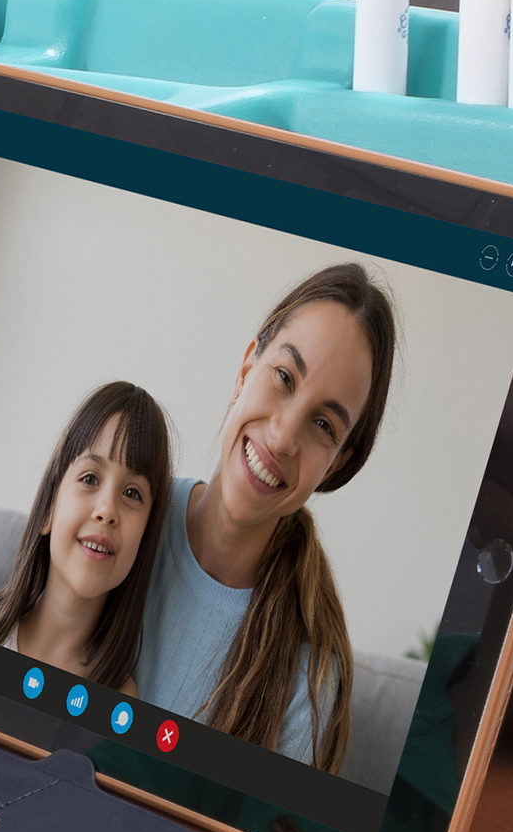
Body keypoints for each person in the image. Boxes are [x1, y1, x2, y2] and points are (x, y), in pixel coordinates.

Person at [132, 265, 399, 776]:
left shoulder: (309, 675)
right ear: (245, 369)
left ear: (336, 463)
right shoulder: (121, 517)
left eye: (323, 424)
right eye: (284, 378)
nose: (281, 438)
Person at [0, 380, 173, 693]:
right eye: (90, 478)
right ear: (47, 509)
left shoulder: (120, 699)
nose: (106, 510)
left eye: (131, 493)